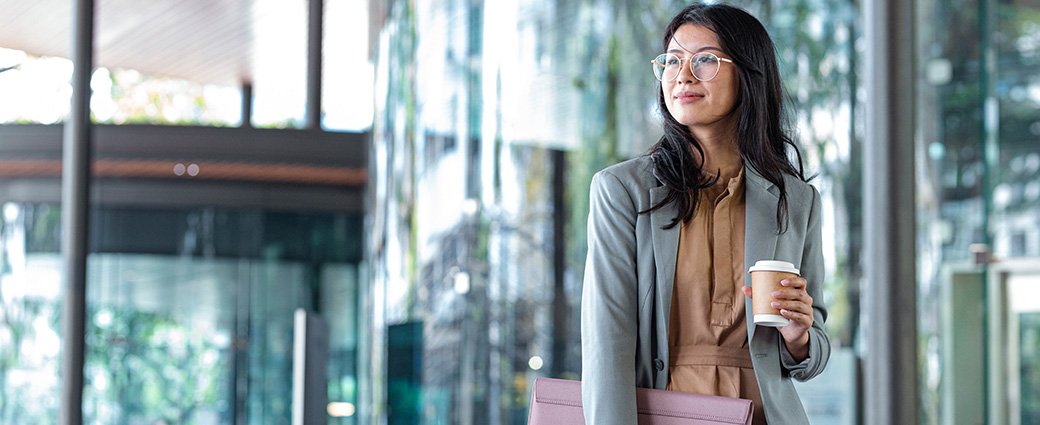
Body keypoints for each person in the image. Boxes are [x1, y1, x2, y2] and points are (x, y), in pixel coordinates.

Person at [579, 3, 830, 424]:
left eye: (706, 60)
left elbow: (811, 355)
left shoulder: (797, 200)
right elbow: (608, 345)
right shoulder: (622, 191)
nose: (683, 75)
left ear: (749, 73)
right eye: (672, 61)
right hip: (662, 412)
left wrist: (798, 335)